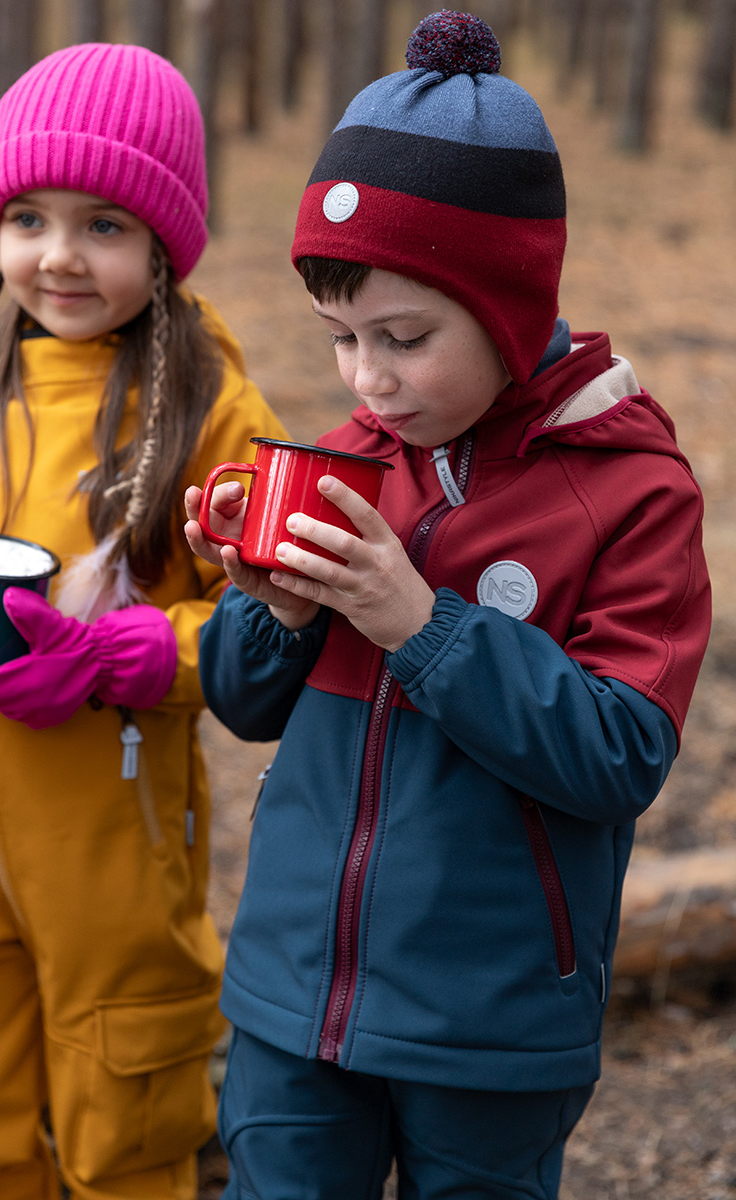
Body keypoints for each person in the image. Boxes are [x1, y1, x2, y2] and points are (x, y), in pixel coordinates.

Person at [184, 11, 711, 1199]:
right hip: (289, 996)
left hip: (493, 1022)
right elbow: (242, 703)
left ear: (513, 310)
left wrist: (422, 624)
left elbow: (623, 752)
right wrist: (276, 608)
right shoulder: (354, 456)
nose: (368, 379)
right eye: (342, 339)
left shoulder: (630, 492)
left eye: (406, 338)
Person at [0, 41, 286, 1200]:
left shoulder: (210, 410)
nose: (59, 256)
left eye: (104, 225)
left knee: (125, 1144)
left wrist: (130, 654)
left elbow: (275, 624)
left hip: (114, 875)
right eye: (29, 216)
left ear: (165, 244)